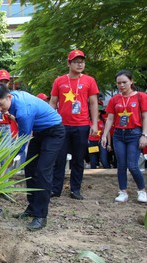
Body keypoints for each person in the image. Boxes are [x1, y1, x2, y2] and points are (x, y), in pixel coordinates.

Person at [0, 83, 65, 231]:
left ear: (9, 97)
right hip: (40, 131)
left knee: (43, 171)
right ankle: (32, 207)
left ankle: (41, 216)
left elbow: (22, 143)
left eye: (0, 105)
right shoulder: (13, 99)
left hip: (54, 132)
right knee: (30, 169)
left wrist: (9, 161)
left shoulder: (24, 111)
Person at [50, 50, 99, 200]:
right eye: (76, 61)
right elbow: (53, 102)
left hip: (82, 125)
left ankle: (75, 190)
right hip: (62, 125)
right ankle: (55, 189)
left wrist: (95, 124)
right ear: (69, 63)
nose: (80, 64)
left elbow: (93, 103)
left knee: (78, 159)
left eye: (82, 61)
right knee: (59, 158)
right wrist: (50, 122)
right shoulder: (59, 81)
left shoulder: (89, 80)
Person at [101, 70, 147, 203]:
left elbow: (145, 117)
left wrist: (144, 135)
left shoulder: (141, 97)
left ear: (131, 81)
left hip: (135, 133)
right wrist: (104, 135)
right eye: (119, 83)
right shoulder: (114, 99)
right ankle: (123, 191)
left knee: (132, 165)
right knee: (121, 164)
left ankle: (142, 190)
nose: (122, 85)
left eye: (124, 82)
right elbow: (110, 119)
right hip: (118, 134)